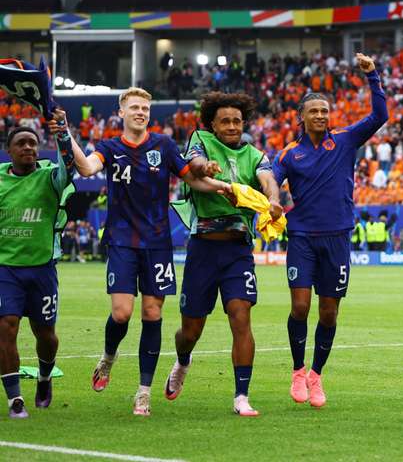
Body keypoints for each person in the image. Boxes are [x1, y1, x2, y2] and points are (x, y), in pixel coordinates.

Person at [66, 88, 232, 416]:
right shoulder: (109, 147)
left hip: (157, 243)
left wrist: (224, 187)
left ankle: (143, 392)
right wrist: (67, 135)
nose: (141, 112)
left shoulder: (164, 146)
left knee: (152, 314)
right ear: (122, 112)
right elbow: (85, 169)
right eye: (135, 108)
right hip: (122, 240)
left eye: (145, 108)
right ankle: (109, 357)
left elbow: (192, 180)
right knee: (122, 313)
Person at [274, 53, 387, 409]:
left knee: (329, 312)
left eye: (325, 110)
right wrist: (274, 200)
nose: (321, 115)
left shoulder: (345, 140)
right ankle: (297, 370)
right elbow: (272, 183)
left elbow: (380, 116)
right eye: (315, 111)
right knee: (300, 306)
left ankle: (317, 376)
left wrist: (372, 76)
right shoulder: (289, 154)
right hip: (303, 238)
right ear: (302, 117)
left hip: (338, 238)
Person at [163, 91, 283, 417]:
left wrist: (272, 198)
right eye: (225, 121)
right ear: (213, 125)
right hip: (203, 248)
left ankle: (241, 395)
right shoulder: (200, 139)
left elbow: (269, 181)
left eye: (237, 121)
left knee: (241, 316)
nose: (232, 126)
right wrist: (207, 166)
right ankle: (183, 360)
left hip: (237, 250)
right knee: (190, 331)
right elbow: (196, 165)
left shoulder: (255, 155)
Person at [0, 112, 74, 419]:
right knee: (6, 327)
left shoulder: (50, 177)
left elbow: (69, 166)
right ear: (10, 150)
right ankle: (15, 399)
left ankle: (44, 378)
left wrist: (62, 133)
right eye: (21, 143)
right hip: (6, 269)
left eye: (33, 142)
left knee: (46, 334)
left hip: (42, 268)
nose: (29, 147)